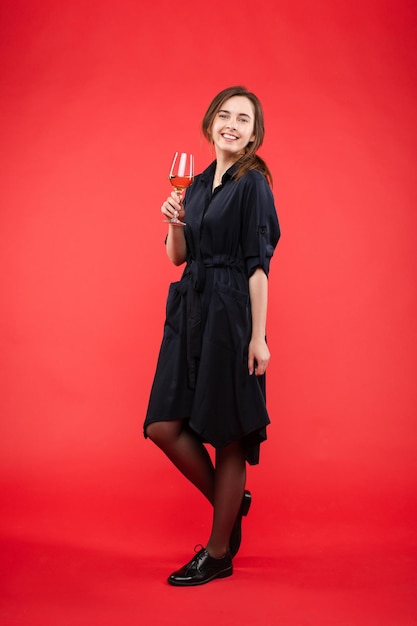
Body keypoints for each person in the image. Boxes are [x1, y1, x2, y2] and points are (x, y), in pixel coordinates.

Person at [143, 86, 280, 586]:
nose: (232, 124)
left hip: (230, 313)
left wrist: (258, 338)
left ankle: (219, 552)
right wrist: (176, 220)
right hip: (190, 306)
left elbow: (258, 267)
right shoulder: (196, 183)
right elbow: (176, 256)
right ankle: (232, 500)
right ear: (210, 122)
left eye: (243, 119)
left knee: (228, 436)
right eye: (225, 115)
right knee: (163, 424)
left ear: (253, 133)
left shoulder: (253, 184)